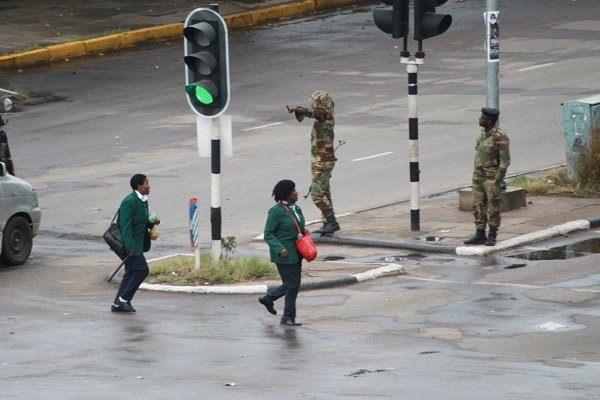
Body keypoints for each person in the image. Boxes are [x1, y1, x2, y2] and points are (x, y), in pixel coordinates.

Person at [286, 90, 340, 235]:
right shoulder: (324, 117)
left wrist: (298, 109)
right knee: (324, 192)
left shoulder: (325, 115)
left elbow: (313, 112)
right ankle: (328, 224)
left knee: (317, 194)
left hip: (322, 161)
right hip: (322, 160)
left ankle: (332, 221)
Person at [260, 180, 306, 326]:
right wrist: (280, 248)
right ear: (287, 194)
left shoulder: (296, 209)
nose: (297, 192)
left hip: (297, 252)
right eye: (293, 190)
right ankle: (287, 317)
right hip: (284, 254)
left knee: (293, 284)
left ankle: (269, 299)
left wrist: (303, 231)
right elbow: (268, 234)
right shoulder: (276, 211)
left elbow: (297, 227)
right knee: (292, 285)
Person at [112, 174, 160, 313]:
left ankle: (117, 304)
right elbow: (125, 226)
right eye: (146, 183)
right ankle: (124, 300)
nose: (149, 185)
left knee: (131, 272)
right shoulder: (129, 201)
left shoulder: (143, 200)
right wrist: (130, 247)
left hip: (137, 244)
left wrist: (152, 222)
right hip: (129, 246)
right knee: (142, 270)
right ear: (139, 186)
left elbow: (142, 221)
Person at [464, 108, 510, 247]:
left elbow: (504, 161)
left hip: (491, 178)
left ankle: (492, 235)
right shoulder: (483, 134)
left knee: (493, 207)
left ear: (489, 121)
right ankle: (479, 233)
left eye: (482, 118)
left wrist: (498, 180)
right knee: (478, 205)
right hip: (478, 176)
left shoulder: (499, 136)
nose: (480, 119)